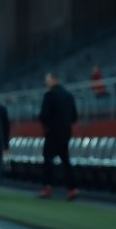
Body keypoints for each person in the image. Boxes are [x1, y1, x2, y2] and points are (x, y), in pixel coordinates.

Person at [38, 72, 79, 200]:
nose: (46, 82)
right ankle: (72, 189)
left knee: (48, 159)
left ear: (53, 80)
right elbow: (74, 116)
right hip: (66, 131)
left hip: (53, 132)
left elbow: (44, 115)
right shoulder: (68, 95)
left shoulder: (49, 95)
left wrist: (47, 125)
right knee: (66, 160)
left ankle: (48, 187)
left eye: (47, 80)